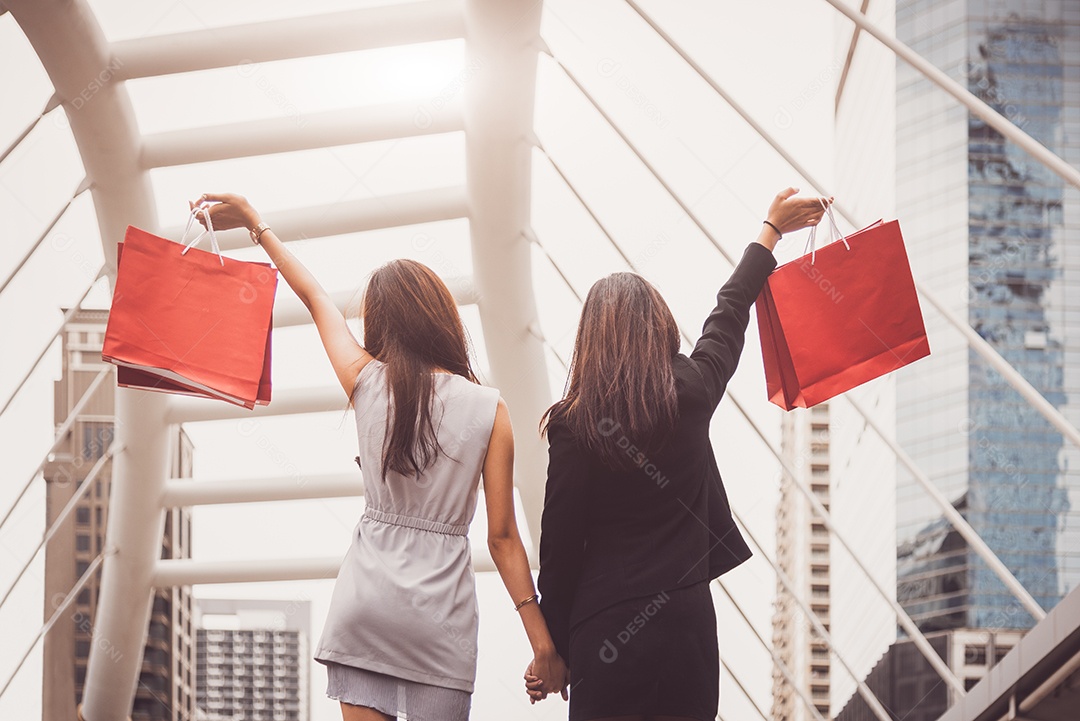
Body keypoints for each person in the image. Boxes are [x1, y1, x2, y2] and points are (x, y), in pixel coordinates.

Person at [191, 193, 567, 721]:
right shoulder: (489, 410)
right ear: (441, 318)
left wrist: (257, 225)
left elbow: (316, 297)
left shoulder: (366, 383)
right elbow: (502, 538)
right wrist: (543, 644)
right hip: (440, 619)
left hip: (365, 607)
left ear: (382, 324)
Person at [527, 188, 833, 721]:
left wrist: (554, 650)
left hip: (604, 631)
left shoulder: (573, 425)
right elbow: (729, 314)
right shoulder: (690, 391)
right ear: (659, 326)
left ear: (589, 341)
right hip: (685, 627)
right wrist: (770, 231)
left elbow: (558, 549)